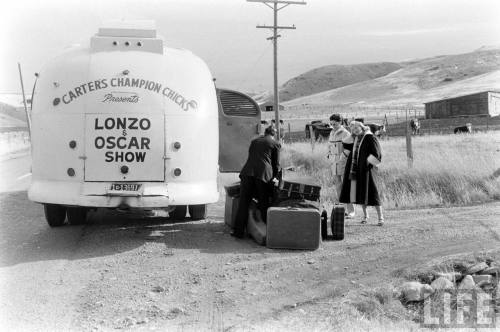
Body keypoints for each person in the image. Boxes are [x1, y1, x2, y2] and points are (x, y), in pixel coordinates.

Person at [232, 126, 281, 238]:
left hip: (247, 173)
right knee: (264, 202)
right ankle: (266, 232)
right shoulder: (275, 144)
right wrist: (275, 177)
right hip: (262, 175)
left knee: (243, 203)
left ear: (265, 132)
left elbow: (252, 157)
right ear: (274, 134)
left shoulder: (254, 141)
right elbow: (276, 164)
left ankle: (238, 232)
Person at [339, 120, 384, 226]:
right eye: (352, 129)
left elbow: (377, 153)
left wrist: (367, 163)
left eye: (356, 128)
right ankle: (365, 216)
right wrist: (352, 135)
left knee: (373, 192)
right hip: (357, 170)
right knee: (361, 193)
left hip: (368, 170)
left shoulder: (370, 137)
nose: (354, 130)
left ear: (362, 127)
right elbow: (345, 143)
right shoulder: (355, 139)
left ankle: (380, 217)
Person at [327, 114, 355, 218]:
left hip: (343, 163)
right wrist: (329, 156)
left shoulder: (345, 133)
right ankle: (342, 209)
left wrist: (342, 158)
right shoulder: (331, 132)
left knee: (346, 186)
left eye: (335, 123)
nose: (333, 125)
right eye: (332, 123)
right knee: (338, 186)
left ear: (340, 122)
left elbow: (349, 148)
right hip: (334, 162)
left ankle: (351, 210)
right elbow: (329, 146)